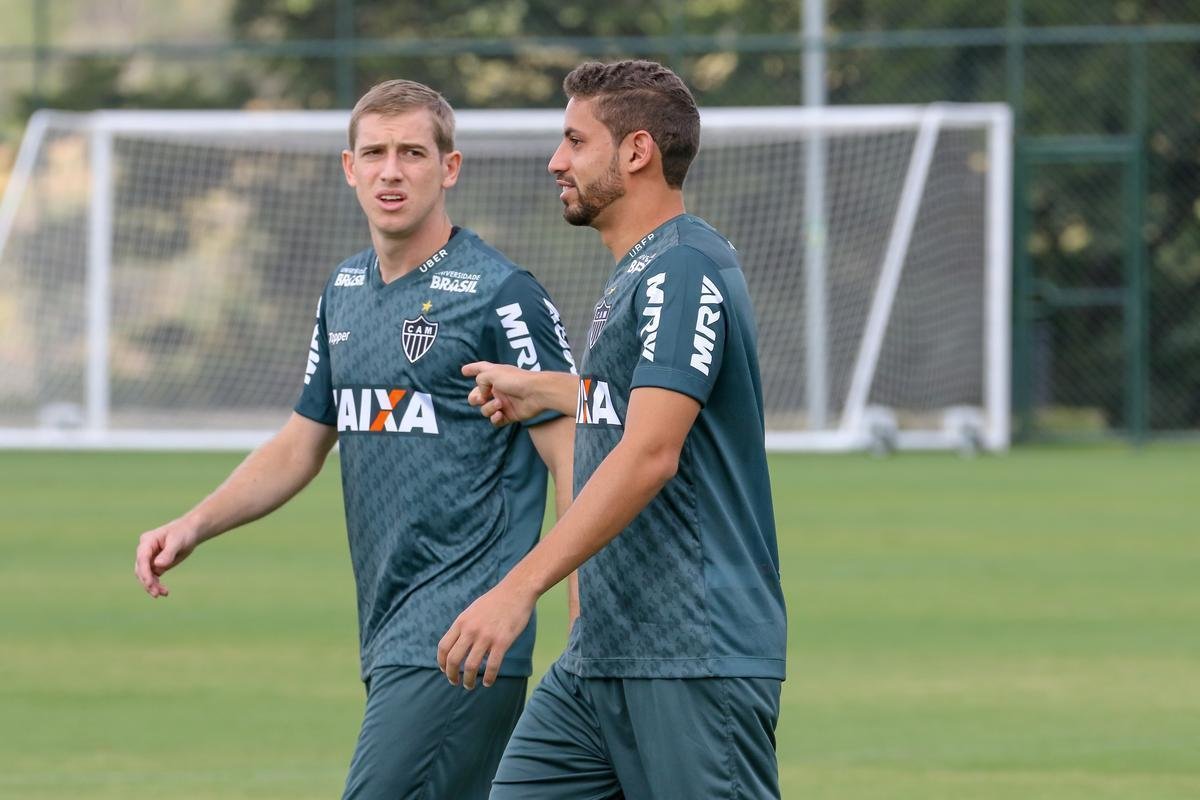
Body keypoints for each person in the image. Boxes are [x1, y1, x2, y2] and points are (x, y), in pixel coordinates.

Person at [133, 79, 577, 800]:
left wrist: (567, 610)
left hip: (463, 632)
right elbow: (304, 440)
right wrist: (194, 524)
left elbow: (574, 455)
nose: (391, 171)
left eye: (411, 152)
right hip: (387, 627)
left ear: (450, 167)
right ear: (349, 167)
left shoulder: (502, 294)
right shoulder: (343, 289)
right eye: (374, 153)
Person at [437, 60, 787, 799]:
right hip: (604, 652)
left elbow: (653, 451)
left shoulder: (682, 269)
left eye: (574, 140)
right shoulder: (642, 269)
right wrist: (550, 390)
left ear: (636, 152)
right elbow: (642, 403)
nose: (556, 161)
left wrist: (518, 588)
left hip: (692, 651)